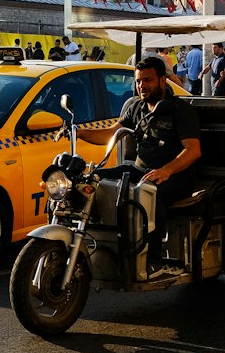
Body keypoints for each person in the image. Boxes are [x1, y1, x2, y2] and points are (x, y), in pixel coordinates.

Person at [79, 55, 202, 270]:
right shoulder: (136, 107)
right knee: (94, 178)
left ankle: (154, 258)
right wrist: (78, 132)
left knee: (149, 192)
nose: (141, 86)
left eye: (147, 80)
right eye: (138, 81)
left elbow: (193, 151)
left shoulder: (180, 110)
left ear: (163, 81)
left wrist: (165, 171)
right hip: (139, 169)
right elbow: (110, 134)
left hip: (175, 177)